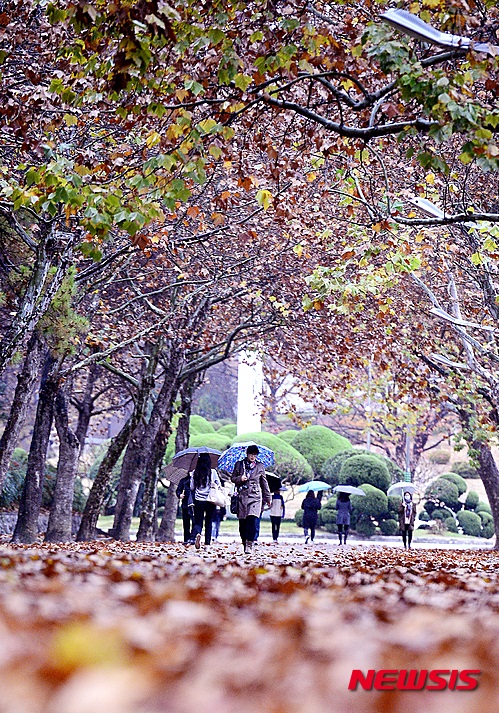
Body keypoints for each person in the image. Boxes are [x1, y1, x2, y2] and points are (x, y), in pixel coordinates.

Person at [231, 444, 271, 555]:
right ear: (247, 454)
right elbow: (232, 478)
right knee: (243, 523)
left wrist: (268, 497)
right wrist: (240, 478)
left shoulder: (260, 466)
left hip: (255, 496)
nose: (253, 457)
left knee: (252, 520)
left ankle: (250, 544)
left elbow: (264, 482)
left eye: (255, 455)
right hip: (242, 496)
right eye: (251, 454)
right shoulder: (239, 464)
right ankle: (244, 542)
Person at [188, 452, 222, 549]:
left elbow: (192, 487)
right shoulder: (213, 472)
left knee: (198, 521)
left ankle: (198, 534)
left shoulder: (195, 472)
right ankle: (207, 543)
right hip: (210, 500)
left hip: (198, 500)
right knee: (209, 521)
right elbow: (218, 485)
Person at [176, 473, 194, 544]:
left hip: (194, 504)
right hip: (185, 504)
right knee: (186, 523)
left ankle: (193, 538)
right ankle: (186, 539)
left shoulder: (197, 480)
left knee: (195, 522)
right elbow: (178, 490)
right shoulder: (183, 480)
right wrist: (180, 495)